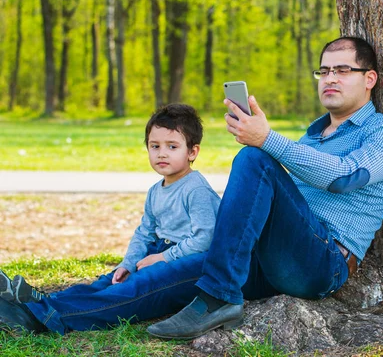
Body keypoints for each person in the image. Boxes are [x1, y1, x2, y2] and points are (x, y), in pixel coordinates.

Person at [145, 36, 383, 339]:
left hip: (323, 265)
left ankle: (217, 298)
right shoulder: (313, 135)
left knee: (254, 158)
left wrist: (266, 140)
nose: (330, 79)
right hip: (275, 258)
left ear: (369, 79)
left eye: (342, 70)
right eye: (323, 72)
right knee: (161, 279)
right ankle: (79, 311)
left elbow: (344, 178)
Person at [0, 103, 220, 334]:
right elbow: (144, 232)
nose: (161, 153)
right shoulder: (156, 190)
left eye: (172, 146)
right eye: (155, 146)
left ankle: (42, 316)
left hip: (185, 260)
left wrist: (164, 258)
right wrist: (127, 263)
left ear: (192, 152)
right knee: (107, 283)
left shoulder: (196, 189)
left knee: (131, 291)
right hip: (158, 252)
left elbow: (205, 239)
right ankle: (36, 301)